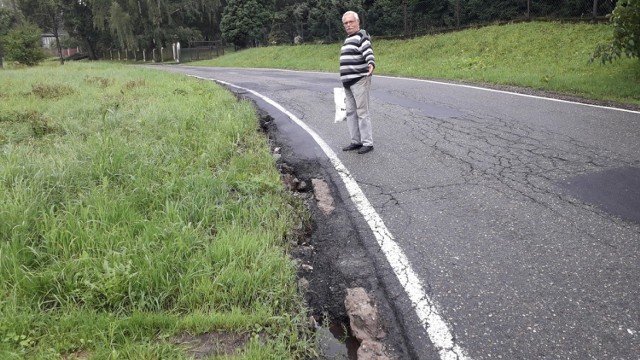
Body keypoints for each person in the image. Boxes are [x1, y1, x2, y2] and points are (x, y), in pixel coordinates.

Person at [340, 10, 375, 154]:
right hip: (348, 82)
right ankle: (356, 141)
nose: (348, 25)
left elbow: (367, 51)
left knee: (362, 112)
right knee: (350, 113)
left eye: (351, 22)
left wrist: (371, 62)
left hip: (359, 79)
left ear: (358, 22)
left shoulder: (362, 35)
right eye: (345, 23)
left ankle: (367, 143)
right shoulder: (348, 39)